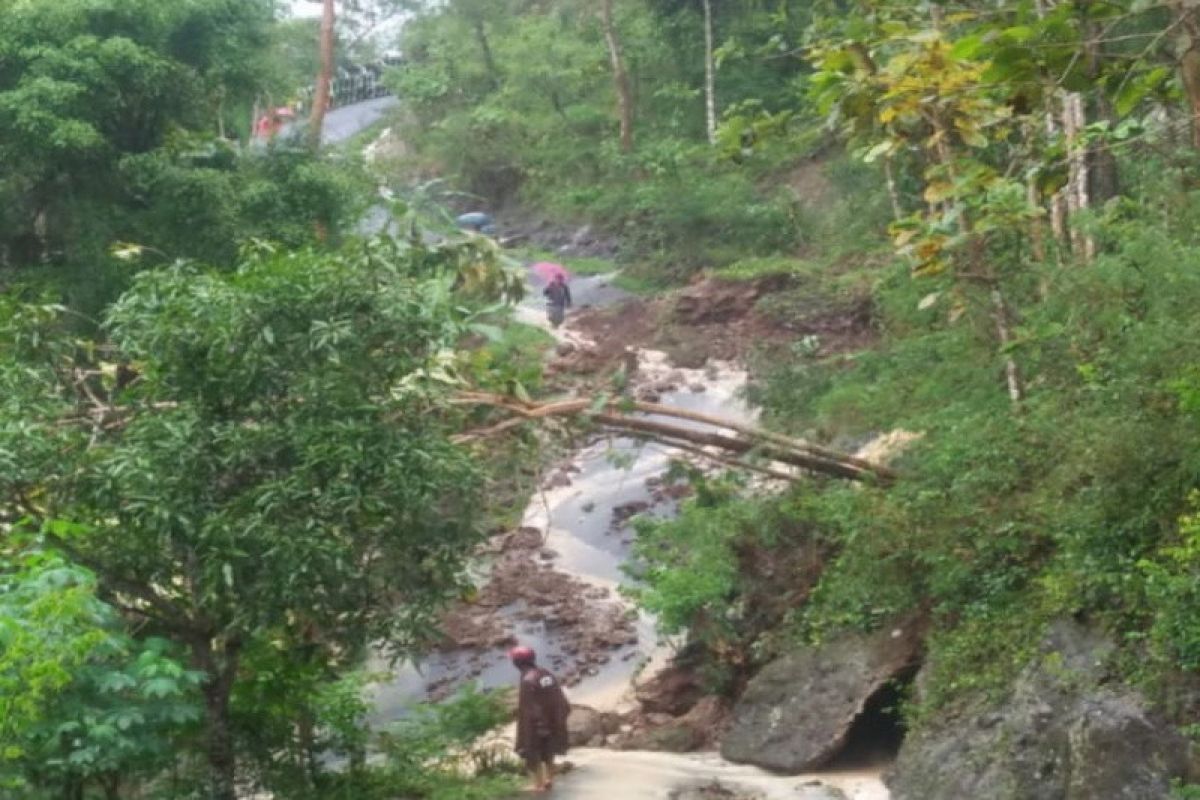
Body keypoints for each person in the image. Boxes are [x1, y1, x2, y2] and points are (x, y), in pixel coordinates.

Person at [510, 645, 570, 793]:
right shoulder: (546, 673)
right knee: (549, 753)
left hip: (537, 725)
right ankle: (549, 779)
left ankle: (539, 785)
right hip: (553, 721)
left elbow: (529, 708)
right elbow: (559, 697)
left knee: (533, 754)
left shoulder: (527, 680)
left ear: (518, 663)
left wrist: (531, 729)